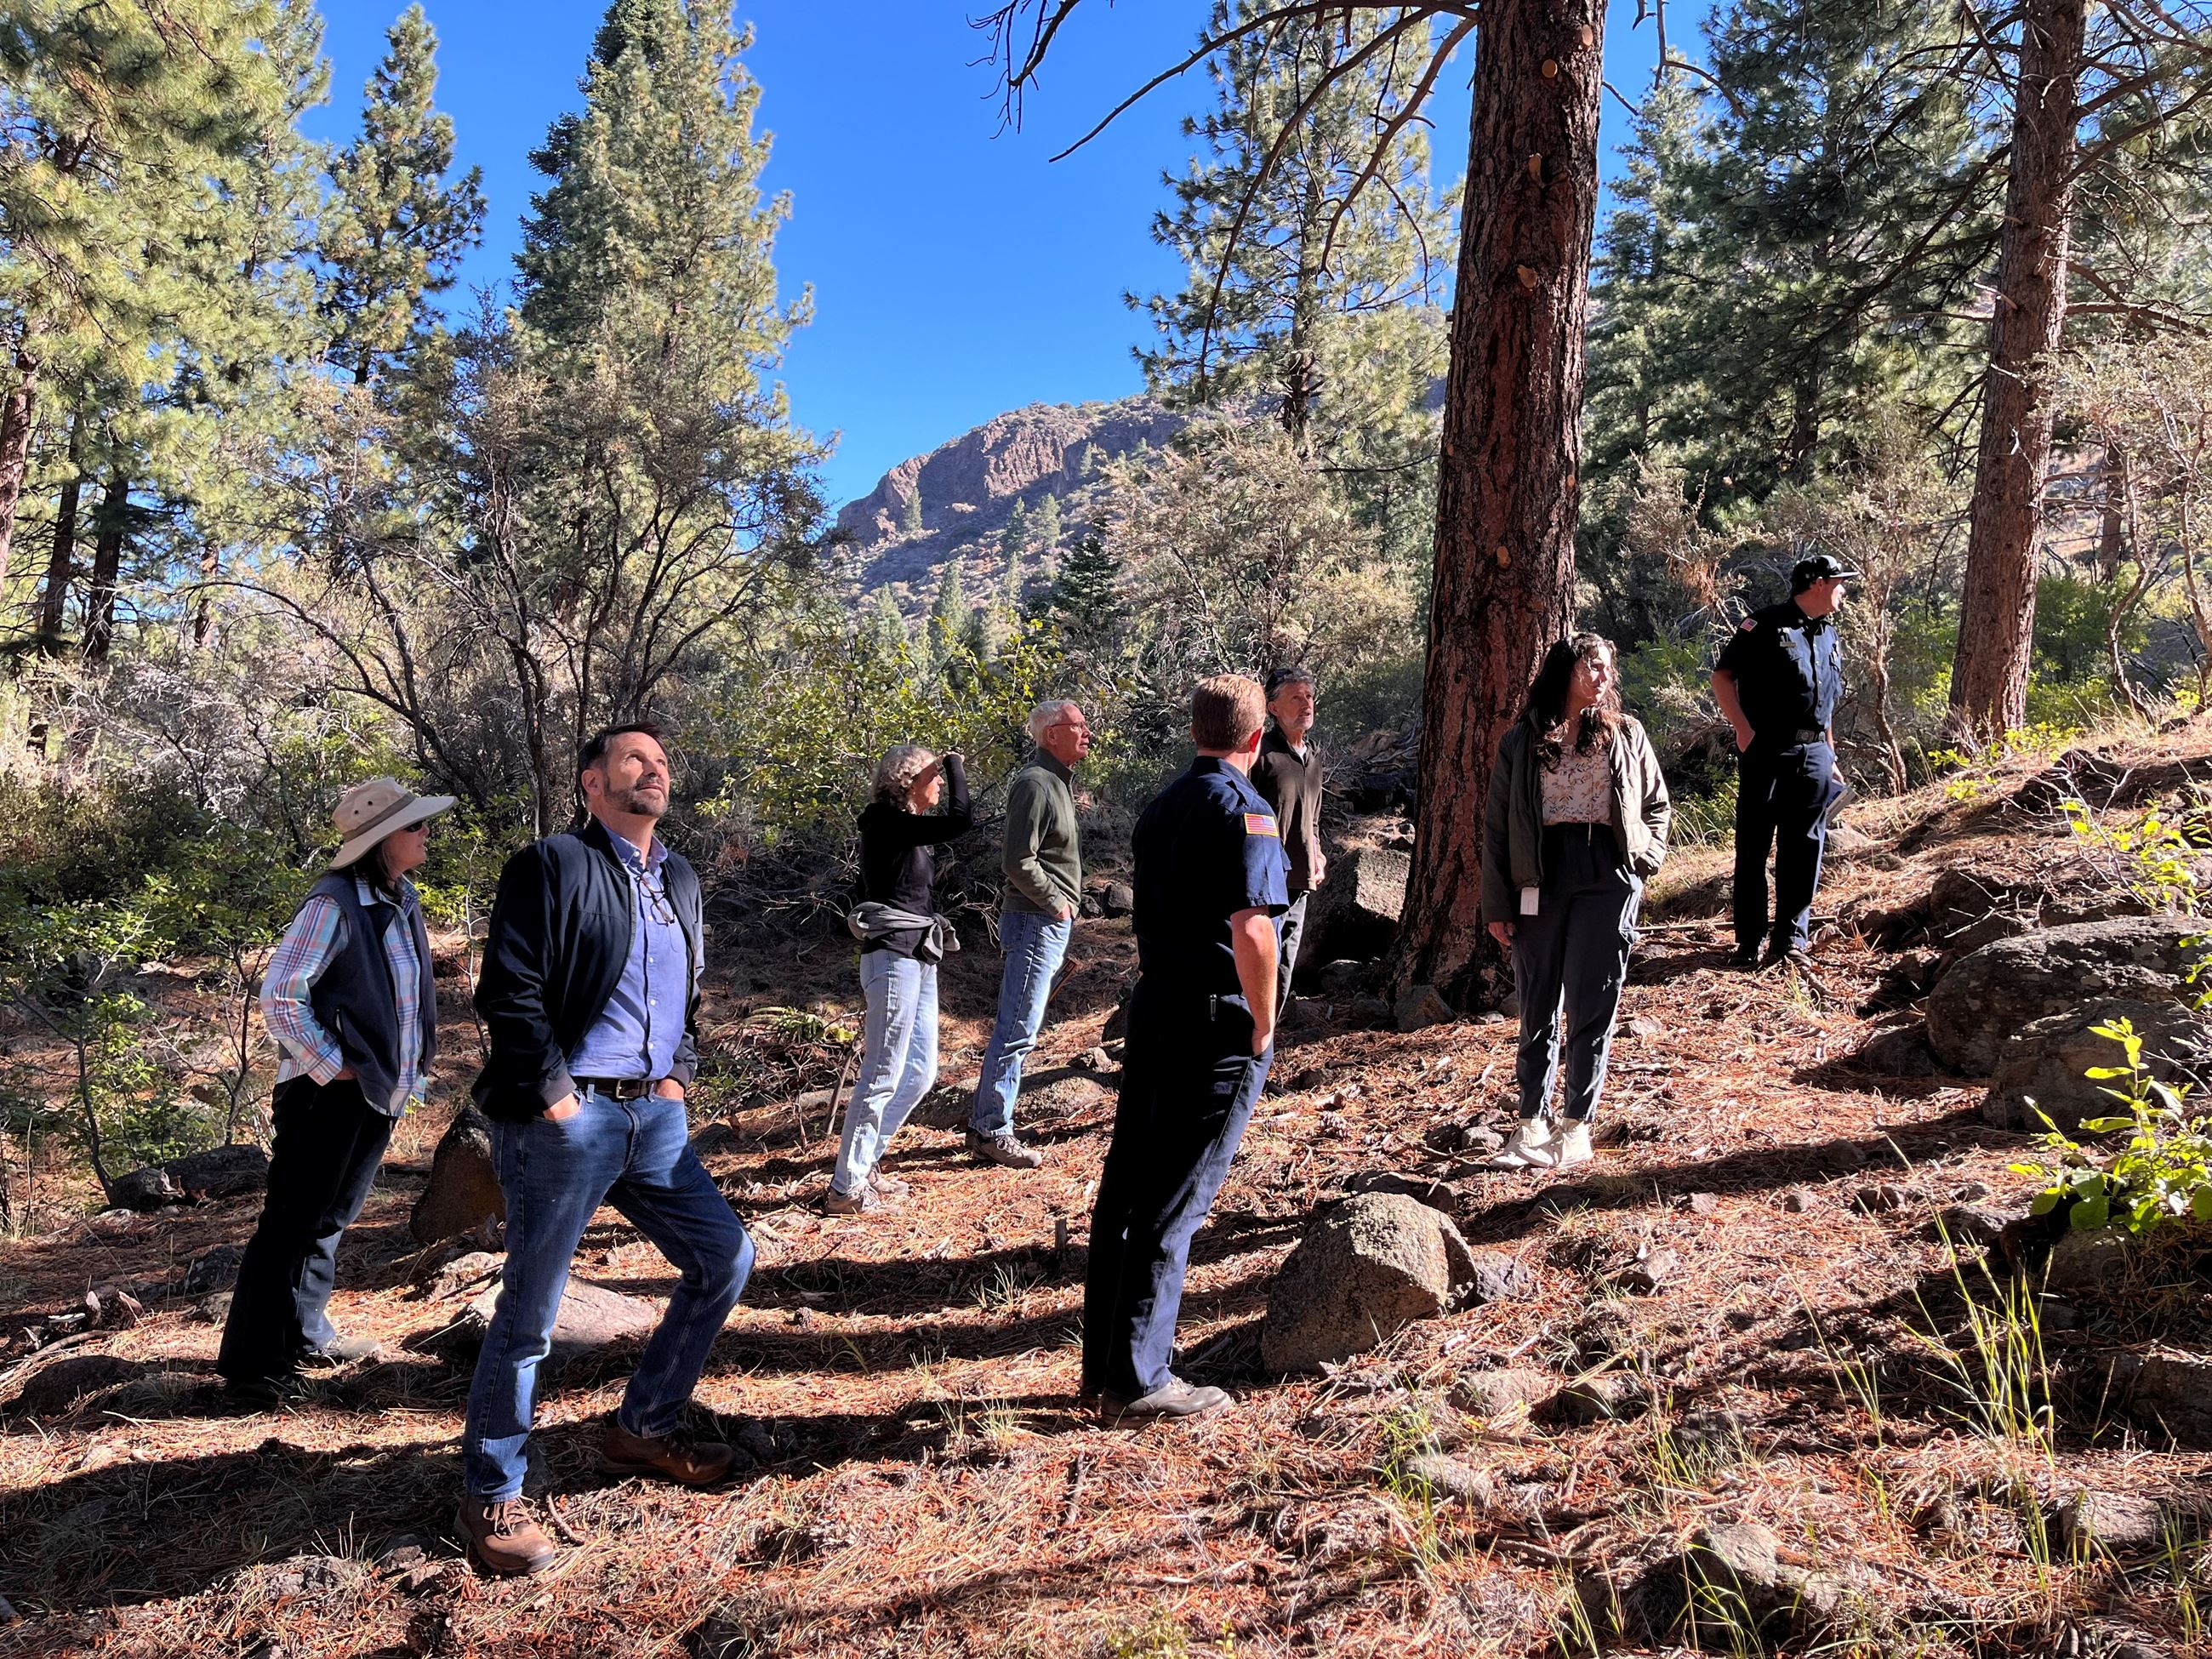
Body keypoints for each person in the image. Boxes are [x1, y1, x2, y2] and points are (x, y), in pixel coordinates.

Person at [459, 724, 754, 1577]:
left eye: (661, 762)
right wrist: (556, 1094)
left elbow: (687, 990)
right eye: (635, 760)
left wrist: (678, 1074)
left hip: (653, 1120)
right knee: (530, 1314)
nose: (654, 771)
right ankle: (491, 1491)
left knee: (724, 1258)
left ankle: (643, 1428)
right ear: (592, 783)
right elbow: (508, 989)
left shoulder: (679, 877)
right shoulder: (550, 864)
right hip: (568, 1120)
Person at [1082, 676, 1289, 1422]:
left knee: (1129, 1188)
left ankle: (1105, 1367)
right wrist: (1263, 1022)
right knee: (1175, 1199)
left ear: (1197, 730)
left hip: (1155, 1010)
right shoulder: (1246, 811)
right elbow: (1253, 929)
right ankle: (1140, 1378)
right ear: (1256, 738)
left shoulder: (1162, 807)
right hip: (1211, 1021)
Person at [217, 778, 453, 1407]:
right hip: (327, 1094)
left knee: (330, 1218)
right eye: (415, 825)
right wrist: (334, 1066)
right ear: (382, 840)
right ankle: (252, 1368)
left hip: (375, 1090)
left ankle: (306, 1334)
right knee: (291, 1223)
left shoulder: (400, 898)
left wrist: (398, 1074)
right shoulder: (334, 903)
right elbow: (281, 995)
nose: (426, 833)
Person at [1481, 636, 1672, 1172]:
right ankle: (1530, 1125)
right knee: (1536, 1002)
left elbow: (1657, 804)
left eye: (1608, 668)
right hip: (1540, 875)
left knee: (1593, 1003)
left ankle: (1576, 1125)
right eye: (1593, 666)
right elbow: (1497, 827)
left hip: (1608, 875)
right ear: (1565, 670)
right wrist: (1497, 904)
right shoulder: (1521, 739)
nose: (1603, 676)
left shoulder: (1626, 733)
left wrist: (1643, 862)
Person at [830, 744, 974, 1215]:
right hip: (892, 958)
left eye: (942, 774)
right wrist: (954, 763)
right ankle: (846, 1189)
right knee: (882, 1073)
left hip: (919, 954)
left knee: (919, 1073)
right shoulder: (884, 822)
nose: (940, 783)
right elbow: (961, 820)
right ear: (909, 781)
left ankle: (866, 1163)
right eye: (933, 775)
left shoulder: (906, 830)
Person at [1711, 553, 1856, 971]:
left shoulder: (1828, 633)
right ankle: (1750, 941)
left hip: (1815, 755)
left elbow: (1825, 700)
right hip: (1768, 751)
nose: (1844, 590)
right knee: (1754, 847)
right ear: (1818, 583)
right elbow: (1723, 677)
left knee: (1805, 846)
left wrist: (1830, 753)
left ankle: (1791, 940)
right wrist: (1743, 730)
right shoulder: (1764, 625)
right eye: (1839, 582)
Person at [968, 699, 1091, 1171]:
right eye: (1078, 725)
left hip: (1045, 922)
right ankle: (992, 1130)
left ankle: (990, 1124)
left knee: (1021, 1026)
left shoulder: (1056, 781)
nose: (1087, 732)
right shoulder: (1036, 783)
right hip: (1036, 921)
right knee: (1016, 1028)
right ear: (1052, 734)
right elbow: (1018, 860)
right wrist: (1057, 903)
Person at [1249, 664, 1326, 1015]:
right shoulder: (1260, 755)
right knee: (1259, 967)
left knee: (1283, 968)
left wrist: (1318, 856)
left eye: (1309, 696)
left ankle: (1267, 1036)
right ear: (1273, 708)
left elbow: (1313, 819)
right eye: (1295, 697)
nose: (1306, 704)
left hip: (1300, 882)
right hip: (1266, 883)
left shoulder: (1313, 758)